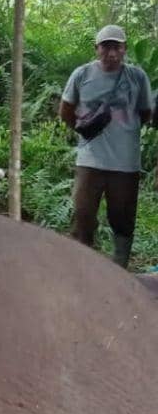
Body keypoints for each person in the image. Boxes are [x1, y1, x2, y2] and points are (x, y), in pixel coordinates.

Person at [59, 24, 153, 268]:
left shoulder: (137, 77)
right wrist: (85, 130)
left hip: (125, 163)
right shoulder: (82, 75)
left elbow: (145, 113)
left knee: (122, 219)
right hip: (90, 160)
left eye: (117, 47)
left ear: (124, 49)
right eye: (106, 47)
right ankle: (81, 268)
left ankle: (119, 269)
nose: (111, 53)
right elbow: (66, 110)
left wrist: (124, 132)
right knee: (83, 215)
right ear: (97, 49)